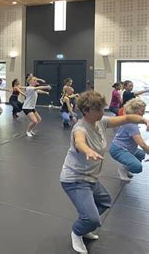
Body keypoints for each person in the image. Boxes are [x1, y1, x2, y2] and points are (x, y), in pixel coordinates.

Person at [60, 91, 149, 254]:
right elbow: (79, 141)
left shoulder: (101, 122)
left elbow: (127, 118)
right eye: (99, 109)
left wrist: (143, 119)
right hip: (74, 179)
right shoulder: (80, 128)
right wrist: (87, 150)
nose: (103, 112)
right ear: (87, 111)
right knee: (92, 218)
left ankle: (86, 224)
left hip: (90, 178)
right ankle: (77, 232)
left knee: (104, 202)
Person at [109, 98, 149, 181]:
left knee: (141, 154)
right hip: (118, 150)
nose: (144, 113)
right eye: (142, 111)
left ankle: (125, 168)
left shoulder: (128, 119)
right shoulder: (131, 125)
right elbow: (142, 145)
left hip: (126, 148)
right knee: (137, 167)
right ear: (135, 111)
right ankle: (122, 169)